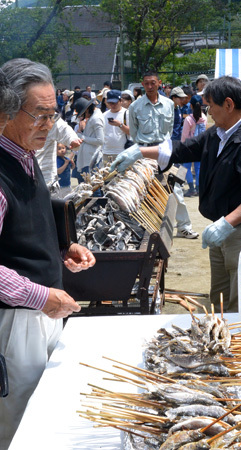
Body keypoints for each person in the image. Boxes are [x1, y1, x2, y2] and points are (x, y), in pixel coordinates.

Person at [111, 76, 241, 313]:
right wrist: (140, 152)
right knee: (220, 294)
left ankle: (238, 343)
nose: (208, 112)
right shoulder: (218, 133)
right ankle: (221, 336)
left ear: (228, 105)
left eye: (211, 107)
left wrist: (226, 224)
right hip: (222, 225)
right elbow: (183, 148)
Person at [0, 58, 96, 449]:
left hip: (40, 313)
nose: (48, 126)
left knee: (45, 412)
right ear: (4, 111)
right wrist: (41, 295)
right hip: (14, 322)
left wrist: (61, 248)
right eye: (39, 115)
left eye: (53, 115)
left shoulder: (26, 154)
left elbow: (22, 227)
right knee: (20, 423)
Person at [129, 72, 198, 239]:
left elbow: (170, 130)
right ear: (142, 85)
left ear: (159, 83)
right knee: (142, 192)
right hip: (144, 153)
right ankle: (145, 229)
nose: (150, 86)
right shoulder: (135, 107)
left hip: (165, 153)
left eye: (153, 83)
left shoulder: (169, 104)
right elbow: (133, 133)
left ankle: (184, 227)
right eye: (147, 83)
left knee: (176, 191)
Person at [169, 86, 199, 239]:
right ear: (173, 97)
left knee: (177, 188)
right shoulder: (171, 110)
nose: (182, 99)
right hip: (168, 155)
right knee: (176, 190)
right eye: (179, 97)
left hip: (174, 154)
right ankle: (183, 225)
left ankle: (183, 225)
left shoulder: (178, 110)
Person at [35, 117, 82, 190]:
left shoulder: (49, 116)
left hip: (47, 179)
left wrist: (72, 139)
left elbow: (63, 128)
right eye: (59, 148)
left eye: (63, 148)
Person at [181, 94, 207, 197]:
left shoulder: (189, 119)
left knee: (186, 167)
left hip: (189, 146)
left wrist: (182, 146)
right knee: (198, 168)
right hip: (200, 146)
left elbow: (184, 135)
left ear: (190, 106)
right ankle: (198, 188)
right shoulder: (204, 118)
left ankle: (191, 189)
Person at [75, 96, 104, 180]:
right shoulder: (94, 116)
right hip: (88, 156)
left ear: (87, 110)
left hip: (92, 158)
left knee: (92, 185)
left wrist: (82, 137)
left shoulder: (96, 118)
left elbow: (100, 140)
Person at [102, 89, 131, 165]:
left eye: (115, 103)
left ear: (120, 101)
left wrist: (120, 125)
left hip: (123, 152)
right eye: (110, 103)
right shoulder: (104, 115)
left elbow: (131, 132)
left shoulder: (127, 113)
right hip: (106, 152)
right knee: (107, 176)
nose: (112, 105)